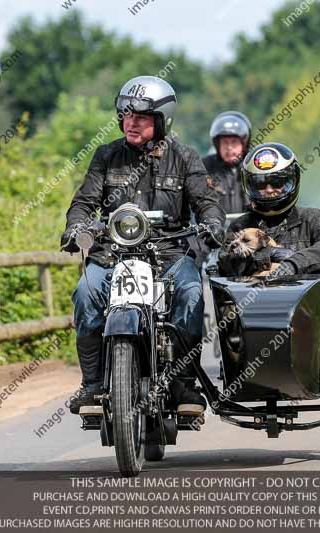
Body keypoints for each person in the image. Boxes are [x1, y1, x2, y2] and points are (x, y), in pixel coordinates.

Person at [60, 75, 225, 413]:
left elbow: (206, 201)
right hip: (113, 254)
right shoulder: (106, 156)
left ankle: (183, 386)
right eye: (126, 115)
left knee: (192, 294)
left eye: (141, 118)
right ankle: (92, 385)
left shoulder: (185, 158)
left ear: (162, 121)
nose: (130, 123)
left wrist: (212, 223)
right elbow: (84, 201)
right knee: (85, 291)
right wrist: (75, 226)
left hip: (169, 253)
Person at [218, 142, 320, 278]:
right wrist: (263, 257)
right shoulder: (240, 226)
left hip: (305, 297)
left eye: (276, 182)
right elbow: (226, 262)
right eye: (261, 184)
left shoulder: (311, 218)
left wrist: (293, 263)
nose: (269, 190)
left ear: (292, 180)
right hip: (256, 298)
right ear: (250, 185)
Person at [202, 111, 253, 216]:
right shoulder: (204, 168)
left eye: (234, 142)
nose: (229, 148)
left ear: (244, 143)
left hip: (250, 230)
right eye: (225, 142)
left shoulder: (254, 167)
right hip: (214, 230)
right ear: (217, 144)